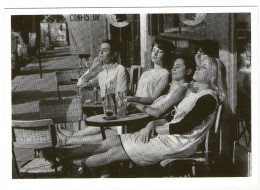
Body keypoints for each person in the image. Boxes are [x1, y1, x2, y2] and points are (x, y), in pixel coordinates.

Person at [57, 56, 226, 168]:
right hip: (168, 136)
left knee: (115, 153)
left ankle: (68, 163)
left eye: (202, 67)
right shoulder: (194, 93)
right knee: (114, 140)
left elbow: (183, 126)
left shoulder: (208, 99)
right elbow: (172, 118)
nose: (197, 68)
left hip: (178, 144)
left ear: (212, 74)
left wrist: (155, 128)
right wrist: (152, 124)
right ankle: (63, 154)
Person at [129, 56, 196, 120]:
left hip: (152, 121)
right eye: (173, 66)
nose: (173, 69)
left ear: (188, 71)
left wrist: (135, 105)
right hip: (146, 116)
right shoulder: (174, 88)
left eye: (178, 67)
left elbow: (158, 113)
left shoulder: (182, 89)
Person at [127, 38, 174, 104]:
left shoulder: (165, 74)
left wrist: (132, 99)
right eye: (154, 50)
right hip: (136, 105)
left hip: (148, 108)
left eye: (160, 52)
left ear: (166, 55)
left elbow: (153, 98)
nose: (155, 54)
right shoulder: (146, 73)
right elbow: (138, 94)